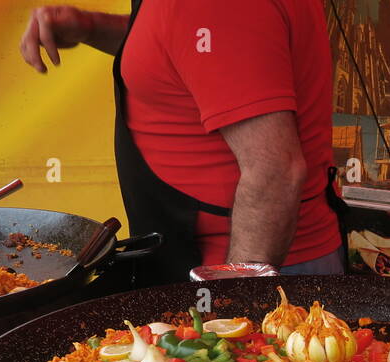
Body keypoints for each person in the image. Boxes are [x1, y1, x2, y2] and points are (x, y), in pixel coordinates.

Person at [20, 2, 343, 281]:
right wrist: (92, 28)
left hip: (237, 267)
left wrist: (232, 313)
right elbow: (180, 43)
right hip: (214, 261)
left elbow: (276, 172)